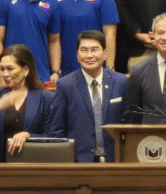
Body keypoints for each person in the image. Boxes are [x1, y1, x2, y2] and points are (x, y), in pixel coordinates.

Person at [47, 30, 127, 162]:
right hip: (79, 162)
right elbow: (56, 131)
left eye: (95, 49)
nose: (89, 55)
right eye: (84, 50)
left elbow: (129, 122)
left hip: (116, 159)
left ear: (105, 53)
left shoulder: (121, 81)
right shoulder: (66, 85)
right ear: (78, 55)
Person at [0, 45, 53, 163]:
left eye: (10, 69)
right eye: (2, 69)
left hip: (33, 167)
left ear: (26, 70)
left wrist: (29, 135)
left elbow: (53, 136)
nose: (5, 74)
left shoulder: (45, 98)